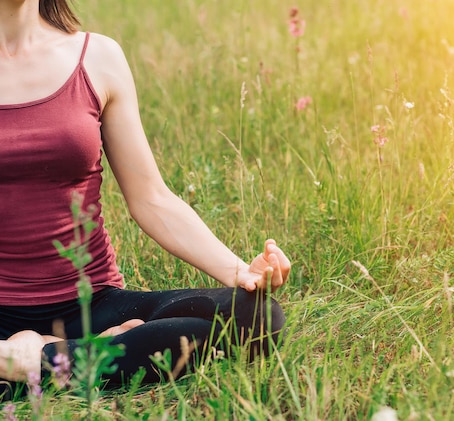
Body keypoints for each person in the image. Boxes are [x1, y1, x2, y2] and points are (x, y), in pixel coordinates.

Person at [0, 0, 291, 397]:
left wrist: (241, 272)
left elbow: (150, 198)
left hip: (94, 306)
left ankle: (31, 362)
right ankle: (85, 359)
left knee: (258, 318)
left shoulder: (98, 58)